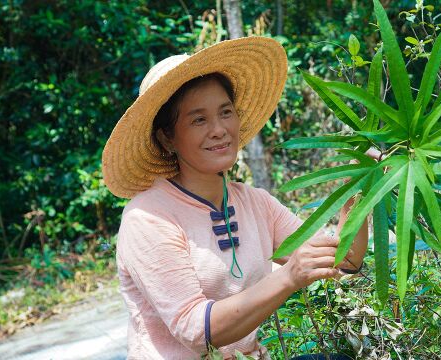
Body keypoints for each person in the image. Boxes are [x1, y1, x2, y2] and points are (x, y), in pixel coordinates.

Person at [101, 37, 369, 359]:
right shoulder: (148, 218)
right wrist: (288, 275)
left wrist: (359, 185)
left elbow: (344, 261)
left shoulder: (254, 203)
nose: (219, 129)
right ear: (167, 138)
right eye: (198, 119)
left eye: (225, 112)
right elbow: (197, 332)